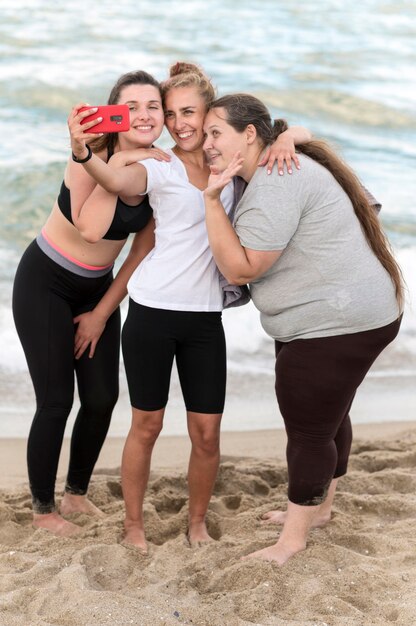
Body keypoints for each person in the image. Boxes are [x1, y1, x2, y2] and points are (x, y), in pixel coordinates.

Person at [69, 62, 313, 552]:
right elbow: (118, 184)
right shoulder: (157, 165)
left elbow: (291, 130)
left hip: (205, 320)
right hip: (152, 315)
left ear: (210, 115)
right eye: (172, 112)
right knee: (148, 425)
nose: (179, 123)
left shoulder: (232, 165)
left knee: (206, 434)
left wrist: (289, 140)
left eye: (189, 112)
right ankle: (134, 524)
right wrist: (83, 154)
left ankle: (197, 523)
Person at [202, 93, 404, 565]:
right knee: (329, 416)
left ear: (249, 134)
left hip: (336, 323)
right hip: (356, 315)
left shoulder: (274, 181)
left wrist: (211, 201)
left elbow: (241, 269)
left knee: (309, 431)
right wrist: (292, 133)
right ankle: (320, 511)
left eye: (217, 133)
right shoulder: (281, 161)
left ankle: (292, 541)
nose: (209, 144)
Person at [12, 70, 168, 537]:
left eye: (153, 106)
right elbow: (91, 229)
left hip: (98, 287)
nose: (143, 114)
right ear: (113, 114)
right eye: (131, 107)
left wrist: (101, 313)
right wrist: (111, 155)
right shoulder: (90, 155)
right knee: (56, 401)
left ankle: (75, 494)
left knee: (101, 399)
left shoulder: (159, 166)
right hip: (46, 282)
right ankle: (42, 510)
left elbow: (140, 250)